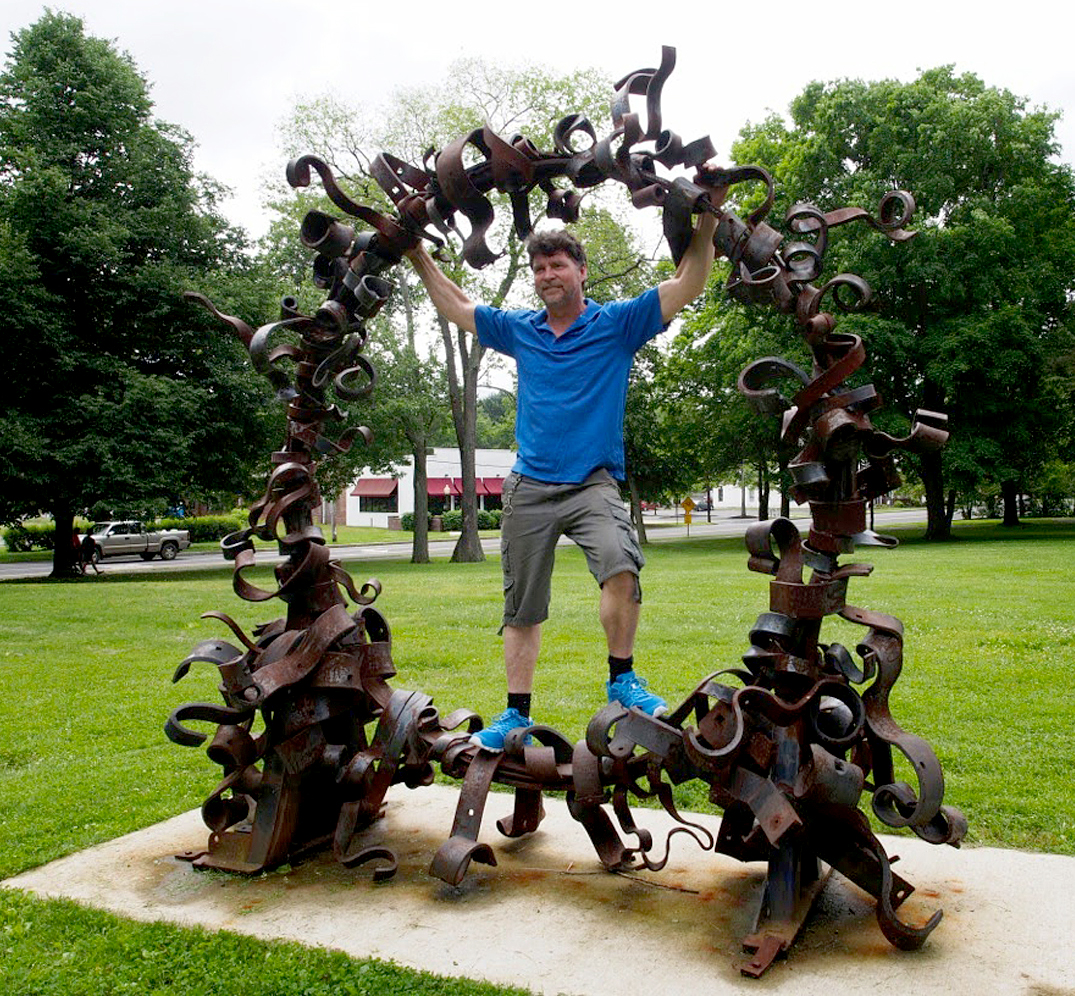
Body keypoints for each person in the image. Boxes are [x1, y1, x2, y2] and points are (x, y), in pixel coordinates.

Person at [405, 191, 722, 751]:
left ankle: (622, 679)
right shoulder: (521, 329)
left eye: (556, 265)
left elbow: (688, 282)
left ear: (581, 270)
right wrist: (416, 254)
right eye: (538, 268)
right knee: (521, 607)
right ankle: (515, 714)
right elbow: (457, 305)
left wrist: (710, 215)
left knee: (622, 567)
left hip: (592, 484)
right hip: (529, 487)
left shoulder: (617, 324)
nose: (547, 275)